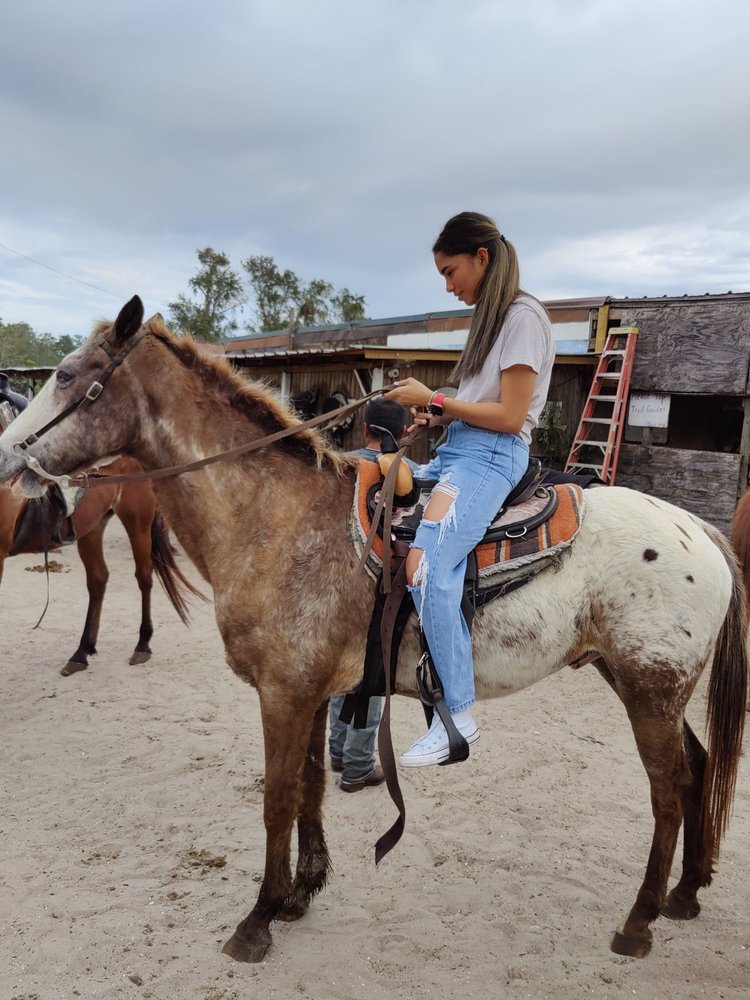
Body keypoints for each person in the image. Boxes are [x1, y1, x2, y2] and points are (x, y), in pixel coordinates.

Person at [384, 211, 554, 767]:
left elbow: (509, 417)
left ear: (481, 258)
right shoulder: (492, 318)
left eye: (449, 271)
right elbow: (481, 404)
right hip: (459, 450)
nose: (447, 285)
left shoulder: (523, 317)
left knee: (427, 564)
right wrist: (440, 417)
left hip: (492, 457)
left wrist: (435, 399)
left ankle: (456, 716)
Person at [329, 396, 416, 792]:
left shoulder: (338, 465)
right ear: (402, 433)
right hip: (374, 588)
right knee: (371, 675)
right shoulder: (402, 472)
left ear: (364, 429)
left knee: (341, 669)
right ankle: (358, 765)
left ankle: (337, 749)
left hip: (334, 584)